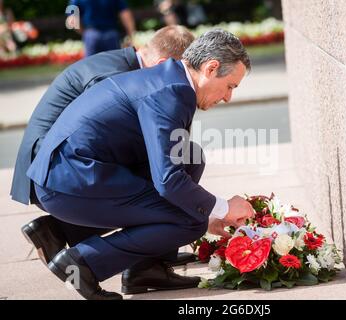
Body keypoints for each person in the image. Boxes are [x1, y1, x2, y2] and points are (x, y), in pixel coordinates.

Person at [26, 29, 254, 300]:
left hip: (84, 172)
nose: (228, 97)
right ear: (211, 67)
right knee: (190, 221)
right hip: (69, 181)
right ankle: (82, 263)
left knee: (189, 158)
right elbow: (168, 181)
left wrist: (208, 210)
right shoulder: (172, 92)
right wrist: (223, 208)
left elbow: (168, 164)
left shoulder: (170, 78)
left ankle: (144, 270)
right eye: (230, 86)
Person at [11, 26, 198, 298]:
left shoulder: (122, 64)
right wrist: (202, 210)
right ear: (163, 64)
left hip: (71, 165)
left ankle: (144, 260)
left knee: (185, 160)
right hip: (54, 172)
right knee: (170, 191)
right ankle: (118, 257)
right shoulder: (115, 75)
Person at [68, 0, 136, 56]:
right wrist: (131, 34)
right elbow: (125, 14)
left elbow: (72, 19)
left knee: (91, 67)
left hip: (91, 35)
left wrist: (84, 33)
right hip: (111, 34)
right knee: (114, 65)